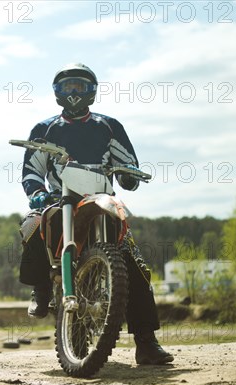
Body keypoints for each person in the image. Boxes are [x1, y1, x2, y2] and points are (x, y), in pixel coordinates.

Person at [18, 62, 174, 365]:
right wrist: (37, 192)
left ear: (91, 91)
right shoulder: (44, 129)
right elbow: (31, 171)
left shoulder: (108, 126)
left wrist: (130, 176)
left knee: (135, 264)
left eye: (80, 86)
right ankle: (40, 288)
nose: (74, 92)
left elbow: (128, 162)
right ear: (57, 93)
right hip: (59, 198)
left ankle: (146, 342)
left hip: (102, 199)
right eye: (67, 87)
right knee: (33, 223)